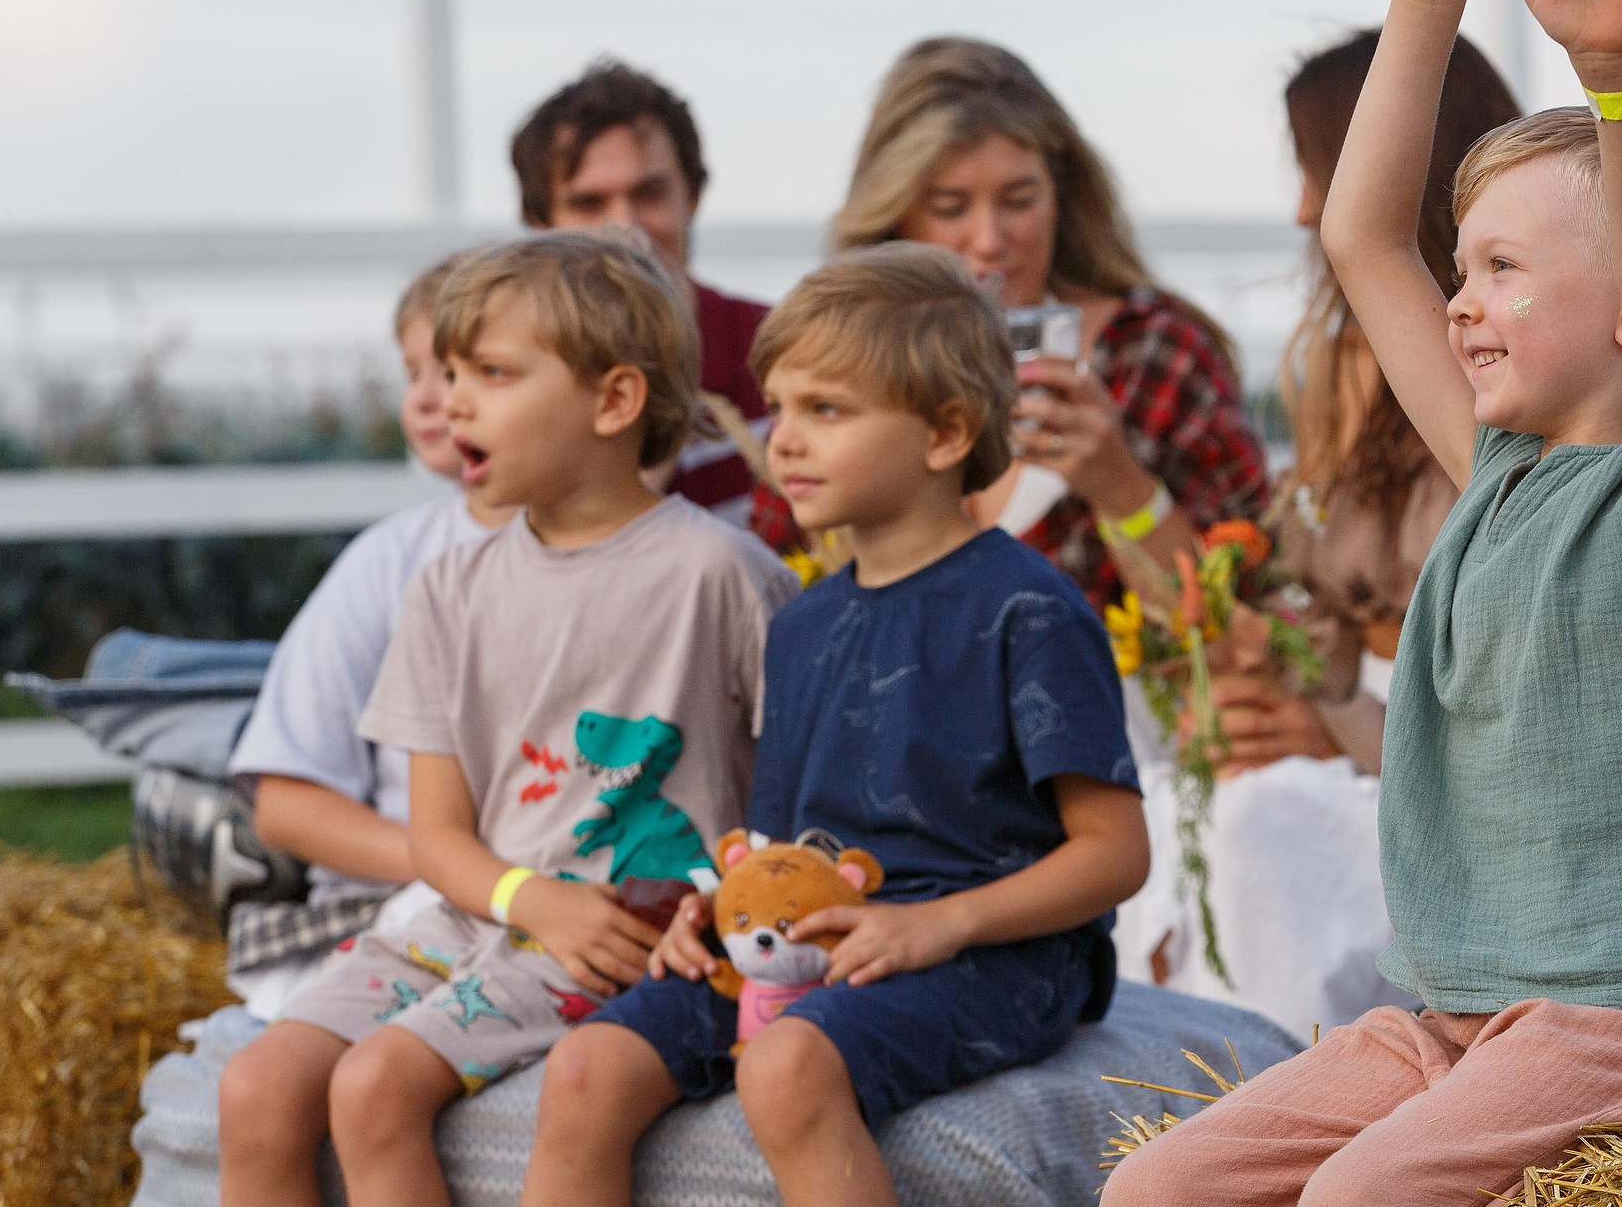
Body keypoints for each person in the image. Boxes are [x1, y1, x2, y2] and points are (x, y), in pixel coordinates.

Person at [1109, 0, 1622, 1207]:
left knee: (1359, 1201)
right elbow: (1367, 240)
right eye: (1465, 266)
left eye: (1500, 269)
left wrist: (1616, 73)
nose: (1461, 302)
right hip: (1461, 1014)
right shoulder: (1494, 474)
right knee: (1154, 1193)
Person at [524, 244, 1147, 1207]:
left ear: (945, 433)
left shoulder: (1031, 609)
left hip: (991, 952)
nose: (785, 441)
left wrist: (937, 924)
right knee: (583, 1070)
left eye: (826, 410)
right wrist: (716, 907)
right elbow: (775, 844)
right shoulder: (803, 622)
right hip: (806, 932)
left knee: (783, 1067)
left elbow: (1116, 855)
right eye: (780, 408)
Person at [216, 233, 796, 1206]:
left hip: (631, 931)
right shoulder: (445, 588)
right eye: (446, 372)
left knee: (372, 1087)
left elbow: (794, 795)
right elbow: (436, 835)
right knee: (254, 1085)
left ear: (614, 402)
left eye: (490, 372)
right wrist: (527, 897)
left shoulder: (723, 577)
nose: (451, 401)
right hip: (486, 908)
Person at [1114, 30, 1513, 1035]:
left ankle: (1262, 1103)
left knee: (1252, 825)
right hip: (1351, 745)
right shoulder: (1339, 367)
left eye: (1317, 171)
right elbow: (1295, 614)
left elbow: (1529, 674)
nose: (1301, 209)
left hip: (1461, 786)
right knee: (1166, 800)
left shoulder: (1521, 366)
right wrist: (1259, 697)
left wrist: (1337, 729)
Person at [749, 38, 1267, 608]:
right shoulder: (834, 367)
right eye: (950, 208)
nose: (990, 242)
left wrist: (1123, 488)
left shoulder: (1153, 355)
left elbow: (1250, 625)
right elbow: (775, 589)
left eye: (1019, 201)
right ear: (892, 216)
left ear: (1062, 197)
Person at [224, 252, 519, 1017]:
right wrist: (463, 872)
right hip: (402, 900)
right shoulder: (390, 563)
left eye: (463, 370)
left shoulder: (644, 565)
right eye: (414, 369)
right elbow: (285, 802)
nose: (428, 398)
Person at [513, 58, 773, 522]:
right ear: (540, 223)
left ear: (692, 197)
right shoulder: (508, 377)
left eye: (649, 194)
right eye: (589, 204)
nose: (625, 226)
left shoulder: (781, 349)